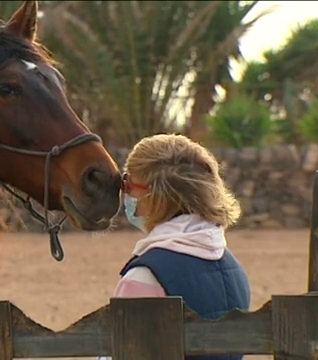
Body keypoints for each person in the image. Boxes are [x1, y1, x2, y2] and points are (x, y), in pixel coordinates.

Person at [104, 134, 250, 360]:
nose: (127, 196)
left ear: (155, 196)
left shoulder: (144, 277)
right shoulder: (234, 269)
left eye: (128, 185)